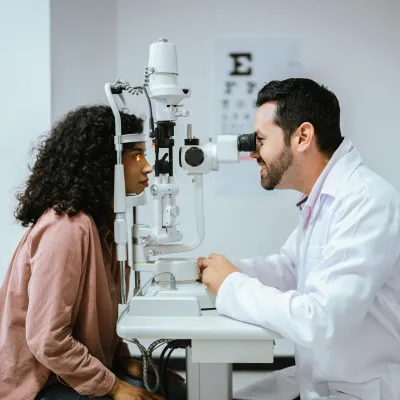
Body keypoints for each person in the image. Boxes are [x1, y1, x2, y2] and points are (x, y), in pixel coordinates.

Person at [198, 78, 400, 400]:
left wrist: (232, 284)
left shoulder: (364, 202)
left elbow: (321, 321)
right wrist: (224, 272)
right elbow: (291, 269)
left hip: (359, 389)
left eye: (261, 140)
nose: (253, 153)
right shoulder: (323, 197)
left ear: (302, 137)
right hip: (322, 380)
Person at [0, 105, 185, 400]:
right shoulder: (68, 228)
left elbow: (90, 324)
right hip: (40, 385)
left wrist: (123, 360)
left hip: (66, 373)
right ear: (104, 163)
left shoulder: (103, 226)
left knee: (173, 387)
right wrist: (114, 386)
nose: (148, 167)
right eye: (136, 156)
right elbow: (48, 339)